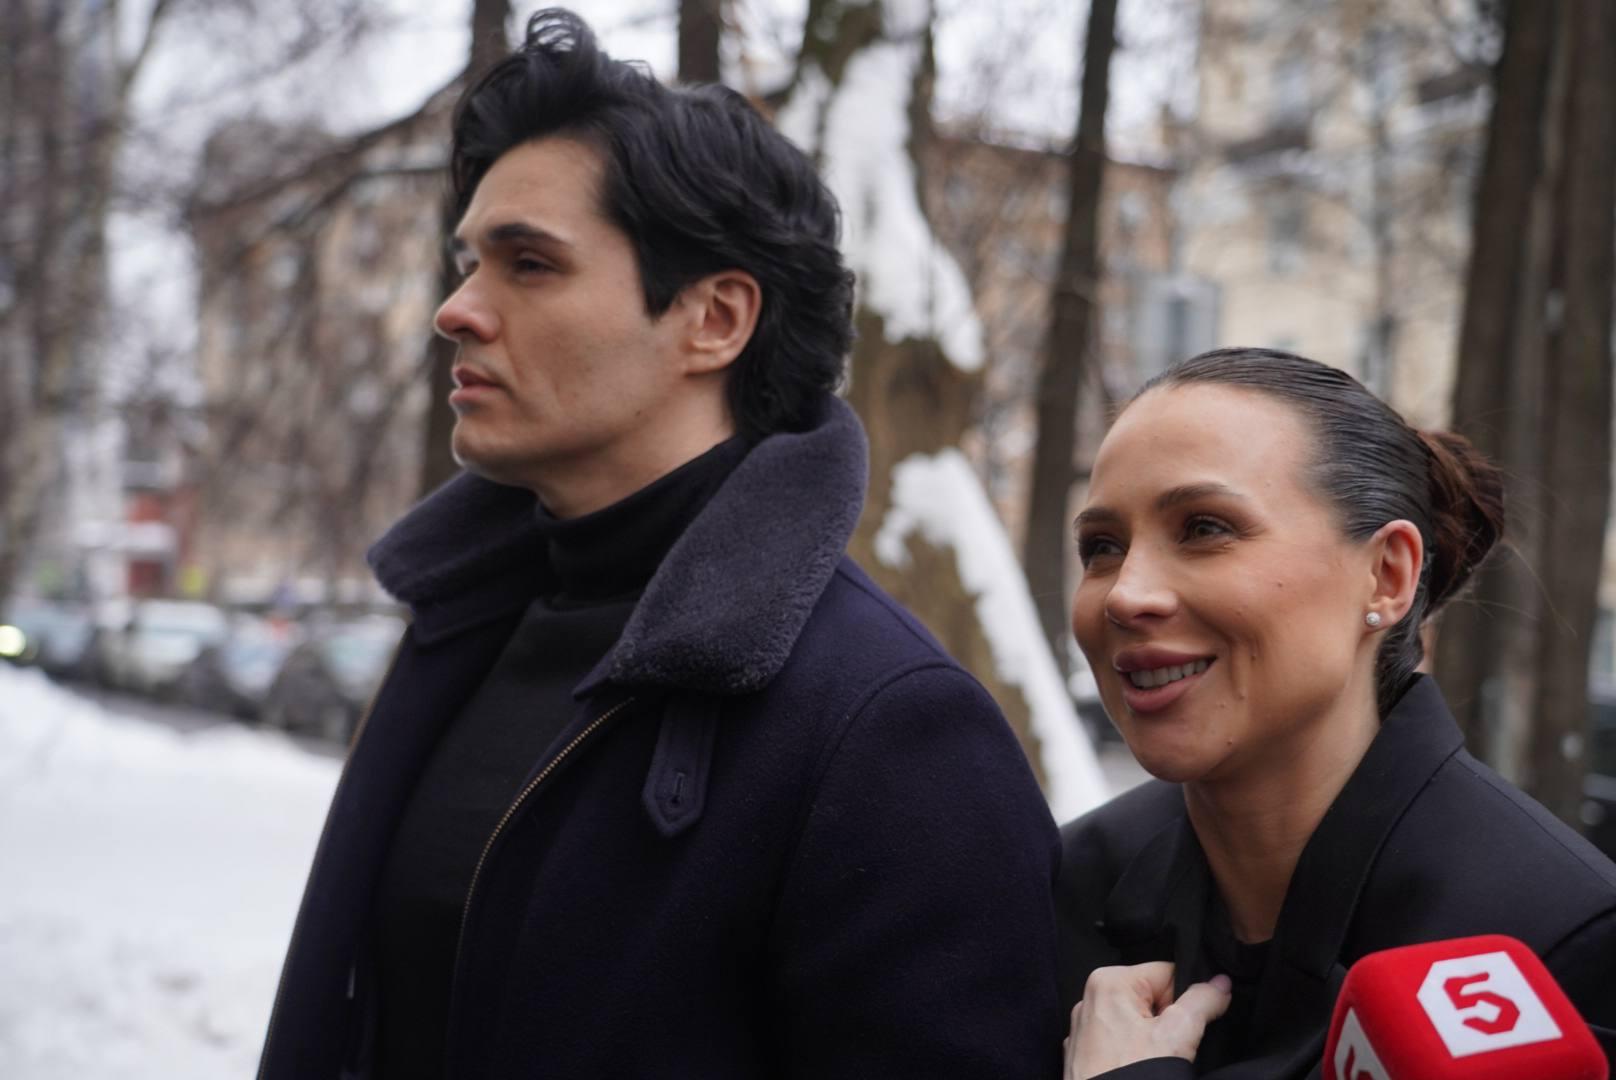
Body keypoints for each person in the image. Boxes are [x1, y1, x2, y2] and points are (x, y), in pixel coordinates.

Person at [256, 10, 1063, 1079]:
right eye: (466, 263)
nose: (455, 311)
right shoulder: (460, 631)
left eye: (527, 264)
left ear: (714, 319)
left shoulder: (888, 731)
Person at [1055, 348, 1616, 1078]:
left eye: (1205, 528)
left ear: (1386, 576)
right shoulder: (1066, 887)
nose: (1127, 594)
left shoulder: (1556, 943)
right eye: (1102, 546)